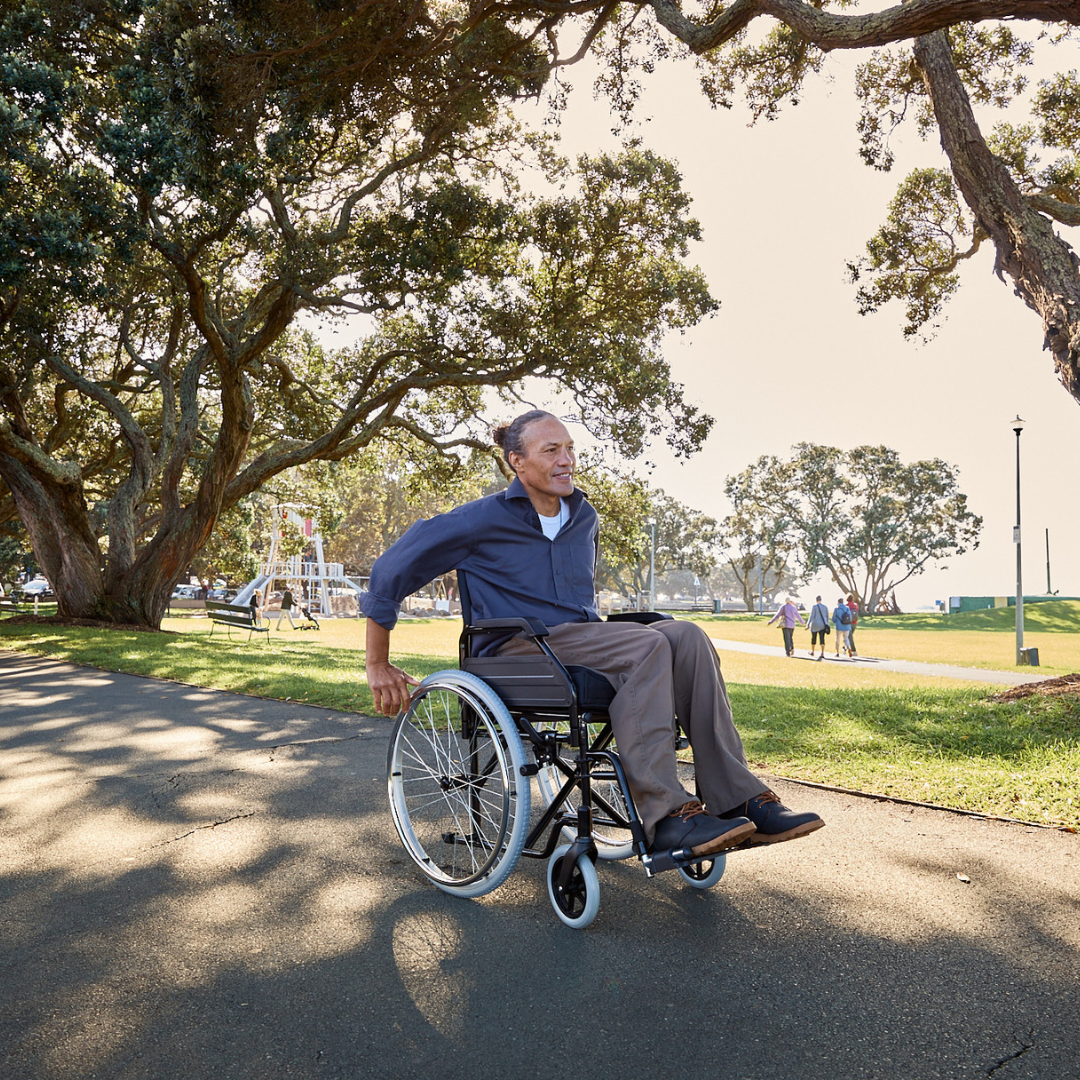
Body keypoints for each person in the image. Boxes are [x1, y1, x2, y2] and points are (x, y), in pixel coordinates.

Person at [361, 410, 824, 859]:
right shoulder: (479, 520)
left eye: (570, 448)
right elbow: (390, 572)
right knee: (646, 644)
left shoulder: (584, 517)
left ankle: (737, 797)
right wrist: (377, 663)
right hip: (517, 649)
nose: (566, 460)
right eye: (551, 450)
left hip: (581, 640)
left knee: (687, 636)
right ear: (516, 462)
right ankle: (664, 816)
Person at [807, 595, 830, 659]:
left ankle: (813, 651)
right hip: (822, 625)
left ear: (816, 600)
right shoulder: (825, 607)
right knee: (822, 638)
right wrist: (827, 624)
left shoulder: (814, 607)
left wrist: (808, 624)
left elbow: (812, 616)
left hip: (815, 624)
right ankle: (822, 653)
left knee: (814, 638)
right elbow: (827, 617)